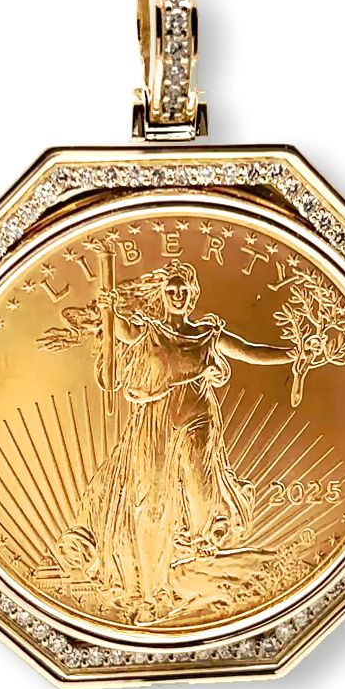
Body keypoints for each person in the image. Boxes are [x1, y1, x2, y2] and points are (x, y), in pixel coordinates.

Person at [38, 260, 292, 623]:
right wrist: (109, 308)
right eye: (171, 287)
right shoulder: (149, 332)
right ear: (162, 293)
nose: (177, 293)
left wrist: (294, 354)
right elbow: (121, 330)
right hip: (154, 426)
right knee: (151, 504)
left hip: (198, 421)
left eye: (184, 288)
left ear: (193, 294)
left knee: (201, 490)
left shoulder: (208, 335)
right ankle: (152, 590)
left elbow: (250, 351)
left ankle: (198, 545)